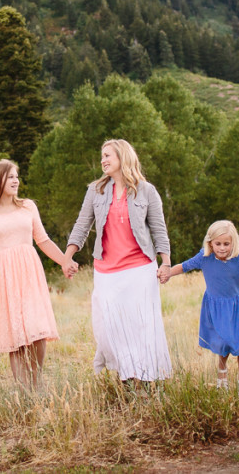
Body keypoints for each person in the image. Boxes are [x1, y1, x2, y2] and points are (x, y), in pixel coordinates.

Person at [0, 159, 79, 387]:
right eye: (10, 176)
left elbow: (43, 240)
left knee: (36, 328)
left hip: (29, 271)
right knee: (14, 333)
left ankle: (37, 383)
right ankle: (23, 392)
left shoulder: (28, 206)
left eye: (17, 176)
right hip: (4, 276)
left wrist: (65, 261)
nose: (16, 180)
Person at [64, 139, 173, 382]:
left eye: (107, 156)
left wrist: (165, 262)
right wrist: (67, 256)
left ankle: (142, 380)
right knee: (109, 327)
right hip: (106, 271)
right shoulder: (96, 190)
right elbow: (82, 225)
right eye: (102, 156)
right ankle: (126, 373)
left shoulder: (147, 190)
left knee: (141, 326)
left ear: (123, 157)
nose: (103, 160)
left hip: (140, 269)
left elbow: (159, 230)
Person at [159, 220, 239, 395]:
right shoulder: (205, 257)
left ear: (233, 242)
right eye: (218, 244)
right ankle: (222, 377)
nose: (222, 248)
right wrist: (167, 272)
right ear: (210, 242)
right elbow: (184, 266)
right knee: (222, 343)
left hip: (236, 307)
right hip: (215, 308)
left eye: (226, 244)